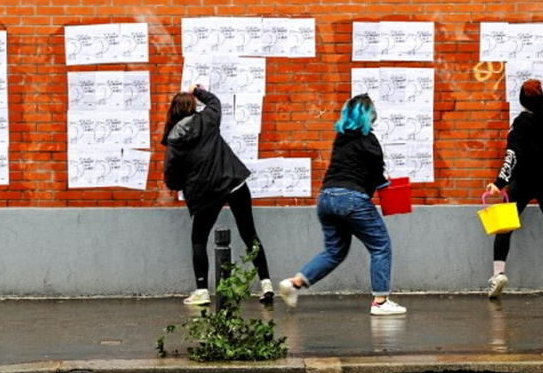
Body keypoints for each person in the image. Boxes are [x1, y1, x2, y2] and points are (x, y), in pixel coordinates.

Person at [277, 93, 406, 316]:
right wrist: (390, 186)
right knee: (380, 246)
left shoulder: (341, 137)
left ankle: (295, 283)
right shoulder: (369, 141)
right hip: (351, 199)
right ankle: (381, 302)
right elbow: (377, 177)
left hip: (326, 198)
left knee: (335, 251)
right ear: (369, 116)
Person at [484, 32, 543, 298]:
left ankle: (498, 275)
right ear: (540, 99)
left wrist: (498, 183)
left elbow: (511, 157)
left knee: (505, 224)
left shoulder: (520, 126)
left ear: (521, 101)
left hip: (524, 181)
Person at [161, 85, 273, 306]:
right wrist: (197, 90)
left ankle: (202, 290)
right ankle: (266, 283)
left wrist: (187, 181)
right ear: (193, 107)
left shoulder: (174, 141)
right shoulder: (207, 120)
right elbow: (215, 101)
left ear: (173, 112)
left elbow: (171, 178)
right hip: (233, 181)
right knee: (249, 233)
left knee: (199, 239)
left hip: (206, 194)